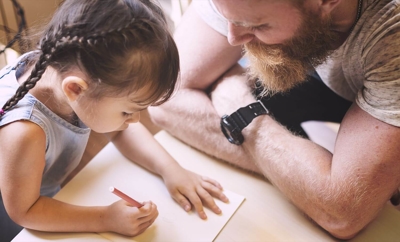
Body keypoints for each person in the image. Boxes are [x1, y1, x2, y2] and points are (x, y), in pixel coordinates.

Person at [149, 0, 400, 239]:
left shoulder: (392, 33)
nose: (232, 38)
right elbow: (164, 98)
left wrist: (239, 108)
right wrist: (300, 176)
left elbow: (342, 215)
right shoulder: (243, 7)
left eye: (257, 25)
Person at [0, 0, 229, 241]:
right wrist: (105, 218)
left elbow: (121, 131)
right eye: (127, 111)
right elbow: (25, 211)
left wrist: (171, 170)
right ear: (76, 90)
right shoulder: (25, 131)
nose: (135, 119)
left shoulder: (65, 67)